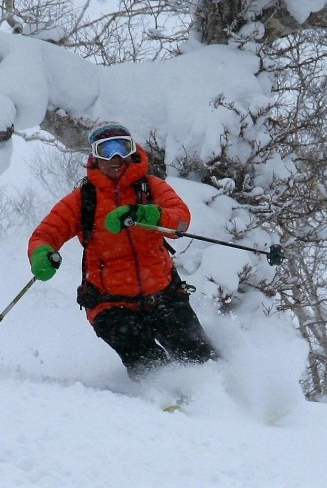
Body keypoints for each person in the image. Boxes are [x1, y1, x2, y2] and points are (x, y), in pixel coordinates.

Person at [27, 121, 217, 380]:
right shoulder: (84, 199)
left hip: (164, 296)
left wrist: (145, 213)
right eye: (106, 150)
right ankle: (164, 399)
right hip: (110, 304)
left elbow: (181, 221)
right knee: (148, 363)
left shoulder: (151, 187)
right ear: (94, 156)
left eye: (122, 147)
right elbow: (45, 235)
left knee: (201, 358)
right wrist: (41, 254)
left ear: (132, 150)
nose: (115, 157)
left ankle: (225, 398)